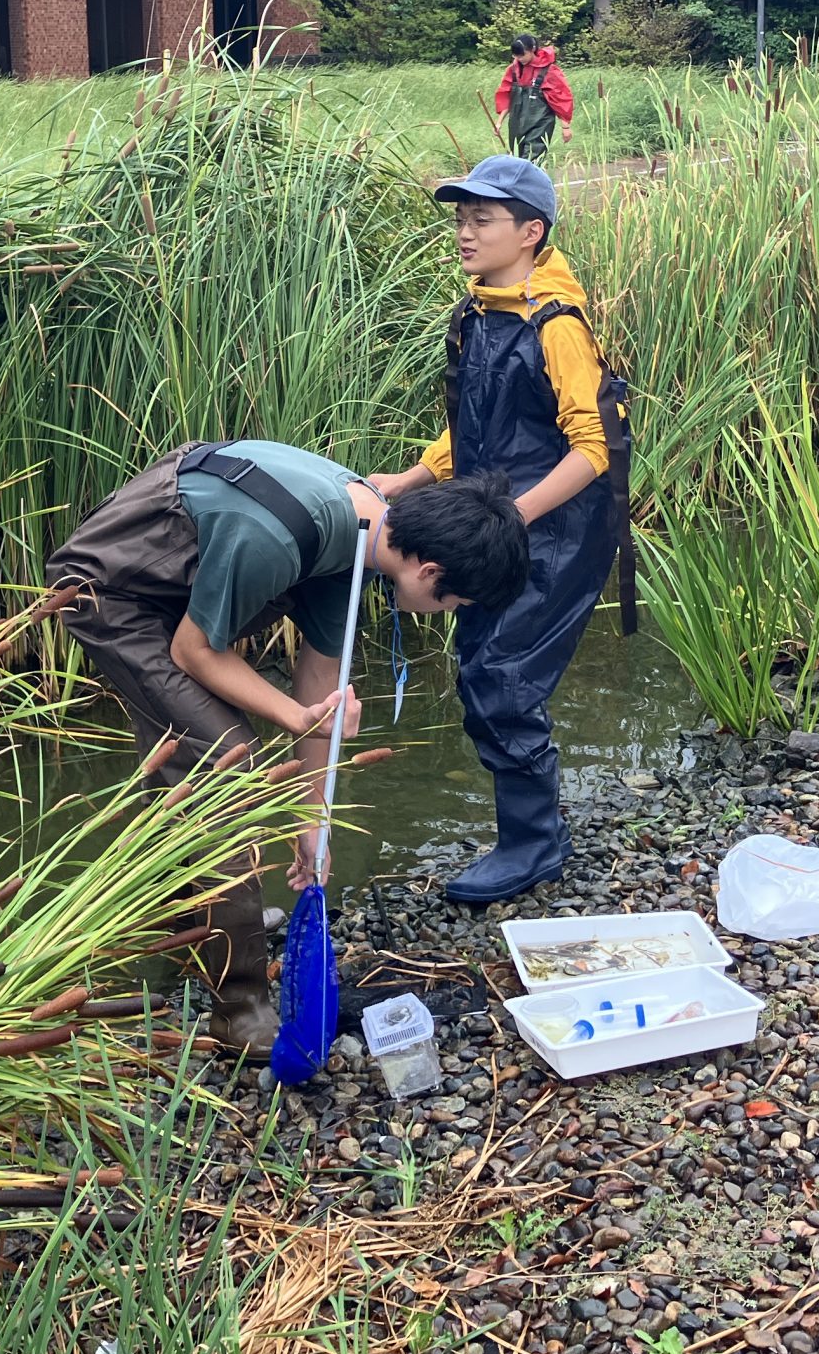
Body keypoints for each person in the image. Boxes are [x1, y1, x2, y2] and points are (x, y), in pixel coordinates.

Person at [49, 442, 528, 1048]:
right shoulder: (280, 534)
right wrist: (295, 717)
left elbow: (321, 682)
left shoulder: (368, 539)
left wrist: (312, 823)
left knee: (190, 765)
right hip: (114, 591)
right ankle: (239, 1005)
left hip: (183, 588)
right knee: (228, 766)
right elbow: (195, 652)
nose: (448, 611)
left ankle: (192, 924)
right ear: (430, 572)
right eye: (457, 601)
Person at [367, 154, 631, 906]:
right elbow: (474, 426)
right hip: (494, 523)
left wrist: (517, 515)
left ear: (530, 231)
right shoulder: (477, 315)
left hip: (557, 532)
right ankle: (528, 831)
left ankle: (534, 844)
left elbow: (594, 449)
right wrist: (412, 478)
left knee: (501, 676)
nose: (465, 232)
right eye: (461, 218)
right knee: (481, 661)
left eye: (482, 219)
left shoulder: (558, 326)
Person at [494, 33, 574, 163]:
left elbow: (561, 99)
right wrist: (499, 122)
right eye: (516, 56)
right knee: (515, 161)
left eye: (522, 55)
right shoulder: (513, 70)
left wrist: (565, 128)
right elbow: (506, 96)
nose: (519, 59)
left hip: (540, 125)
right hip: (516, 125)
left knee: (530, 162)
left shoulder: (549, 71)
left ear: (533, 50)